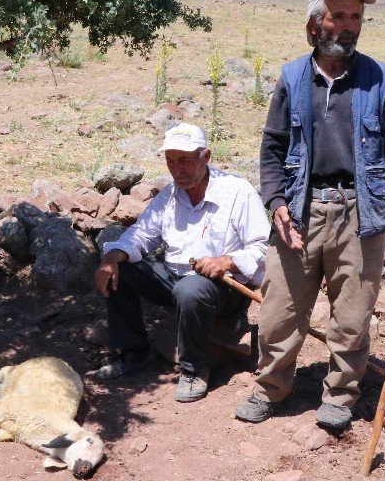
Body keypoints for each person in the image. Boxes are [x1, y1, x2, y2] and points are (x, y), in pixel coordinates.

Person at [234, 0, 385, 430]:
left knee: (352, 316)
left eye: (356, 16)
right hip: (299, 210)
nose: (350, 24)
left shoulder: (380, 78)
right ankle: (271, 386)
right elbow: (272, 148)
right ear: (316, 23)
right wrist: (275, 200)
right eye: (340, 15)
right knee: (279, 314)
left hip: (361, 212)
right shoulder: (293, 78)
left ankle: (339, 395)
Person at [92, 123, 268, 403]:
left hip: (225, 287)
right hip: (175, 279)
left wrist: (227, 260)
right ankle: (135, 353)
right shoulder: (170, 195)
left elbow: (262, 249)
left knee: (191, 290)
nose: (177, 169)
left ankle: (194, 369)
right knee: (119, 269)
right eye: (171, 161)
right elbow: (141, 234)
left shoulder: (238, 191)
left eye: (185, 160)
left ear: (206, 156)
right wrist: (113, 256)